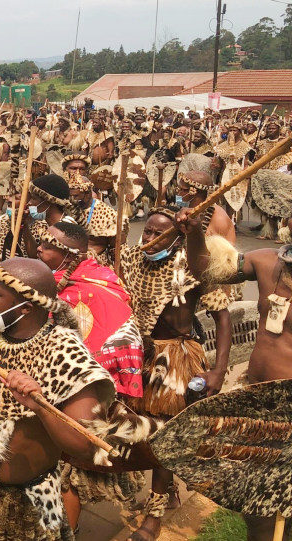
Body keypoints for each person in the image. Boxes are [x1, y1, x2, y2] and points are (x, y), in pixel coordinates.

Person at [0, 258, 115, 541]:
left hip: (30, 502)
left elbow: (85, 446)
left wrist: (41, 407)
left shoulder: (65, 354)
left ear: (26, 306)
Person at [118, 205, 232, 541]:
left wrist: (219, 370)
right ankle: (160, 486)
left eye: (160, 233)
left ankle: (153, 517)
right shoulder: (132, 260)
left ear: (178, 238)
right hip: (137, 355)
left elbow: (223, 318)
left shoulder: (193, 269)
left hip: (175, 359)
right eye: (148, 231)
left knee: (164, 438)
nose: (151, 239)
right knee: (133, 426)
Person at [180, 206, 292, 541]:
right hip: (259, 403)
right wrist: (195, 233)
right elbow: (204, 270)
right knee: (254, 502)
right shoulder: (265, 260)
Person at [36, 222, 147, 530]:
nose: (39, 249)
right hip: (45, 388)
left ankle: (66, 532)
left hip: (81, 392)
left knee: (67, 475)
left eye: (47, 246)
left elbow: (120, 339)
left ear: (68, 253)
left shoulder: (96, 286)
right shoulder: (50, 280)